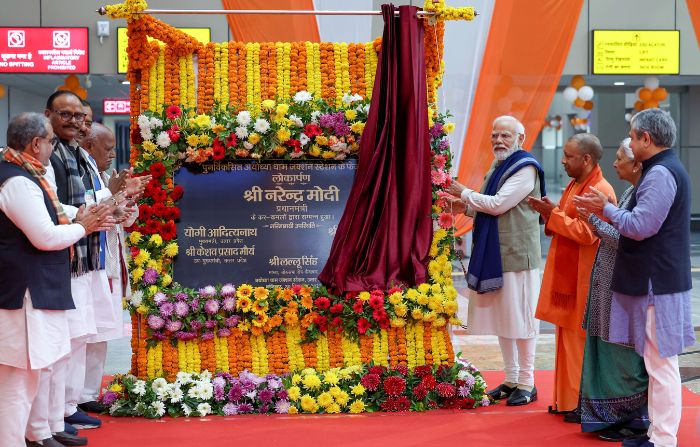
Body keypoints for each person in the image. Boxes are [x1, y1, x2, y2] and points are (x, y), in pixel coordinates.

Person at [576, 109, 695, 447]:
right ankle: (658, 435)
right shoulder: (664, 169)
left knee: (661, 364)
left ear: (646, 139)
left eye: (631, 135)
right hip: (658, 280)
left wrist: (605, 208)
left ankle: (663, 439)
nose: (628, 141)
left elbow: (641, 227)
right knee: (657, 363)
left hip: (658, 282)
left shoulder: (660, 173)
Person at [0, 112, 112, 447]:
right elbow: (45, 236)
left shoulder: (27, 175)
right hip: (24, 293)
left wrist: (82, 214)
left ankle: (33, 434)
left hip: (33, 289)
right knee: (18, 382)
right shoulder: (17, 180)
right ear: (36, 144)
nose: (53, 146)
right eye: (50, 141)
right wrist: (84, 227)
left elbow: (51, 210)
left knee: (28, 378)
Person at [444, 115, 546, 405]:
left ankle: (528, 382)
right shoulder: (499, 165)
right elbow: (490, 208)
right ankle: (512, 378)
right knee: (505, 317)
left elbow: (500, 204)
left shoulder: (525, 168)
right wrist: (463, 206)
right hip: (496, 253)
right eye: (495, 135)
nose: (498, 141)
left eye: (505, 136)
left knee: (523, 318)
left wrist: (463, 192)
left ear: (520, 139)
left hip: (517, 255)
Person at [528, 133, 616, 418]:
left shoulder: (599, 190)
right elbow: (566, 221)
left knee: (579, 343)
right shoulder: (575, 185)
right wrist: (551, 213)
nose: (563, 161)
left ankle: (582, 404)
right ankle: (566, 401)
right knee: (566, 341)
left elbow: (588, 234)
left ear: (587, 159)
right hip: (570, 277)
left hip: (586, 278)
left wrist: (554, 215)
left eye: (569, 156)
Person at [573, 138, 649, 441]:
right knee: (606, 344)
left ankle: (631, 418)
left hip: (623, 286)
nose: (614, 164)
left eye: (619, 159)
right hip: (609, 281)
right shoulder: (632, 191)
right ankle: (607, 416)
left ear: (636, 164)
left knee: (621, 352)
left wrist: (590, 219)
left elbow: (627, 238)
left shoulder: (644, 195)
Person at [78, 124, 140, 413]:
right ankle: (77, 397)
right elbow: (91, 214)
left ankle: (88, 393)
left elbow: (124, 220)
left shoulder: (104, 178)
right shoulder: (81, 176)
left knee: (101, 334)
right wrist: (114, 196)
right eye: (108, 148)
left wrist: (129, 197)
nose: (113, 154)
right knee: (88, 336)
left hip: (111, 264)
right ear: (89, 147)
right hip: (90, 265)